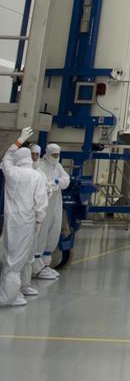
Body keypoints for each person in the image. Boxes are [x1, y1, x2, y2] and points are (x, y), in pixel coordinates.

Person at [0, 127, 48, 307]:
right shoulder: (36, 177)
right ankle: (8, 298)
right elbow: (41, 203)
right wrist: (39, 220)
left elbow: (7, 157)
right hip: (27, 221)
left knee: (9, 255)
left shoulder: (11, 172)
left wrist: (18, 140)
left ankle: (6, 291)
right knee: (17, 260)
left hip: (11, 219)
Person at [32, 142, 70, 279]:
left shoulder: (57, 166)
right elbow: (44, 183)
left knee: (53, 232)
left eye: (58, 155)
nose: (56, 157)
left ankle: (46, 265)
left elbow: (66, 180)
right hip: (45, 205)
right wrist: (55, 183)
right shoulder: (40, 166)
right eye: (54, 155)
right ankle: (36, 267)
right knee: (41, 234)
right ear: (47, 154)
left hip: (56, 204)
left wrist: (56, 182)